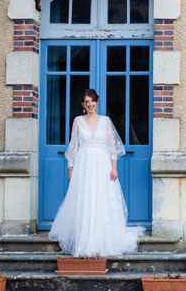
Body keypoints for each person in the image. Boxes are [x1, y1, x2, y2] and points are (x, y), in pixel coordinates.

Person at [49, 89, 142, 257]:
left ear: (96, 102)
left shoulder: (105, 121)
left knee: (101, 199)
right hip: (83, 165)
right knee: (85, 199)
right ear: (83, 104)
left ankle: (102, 239)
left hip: (102, 164)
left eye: (92, 101)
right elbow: (73, 147)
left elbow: (112, 146)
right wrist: (71, 168)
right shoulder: (77, 121)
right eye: (87, 101)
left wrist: (114, 168)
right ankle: (84, 238)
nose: (90, 104)